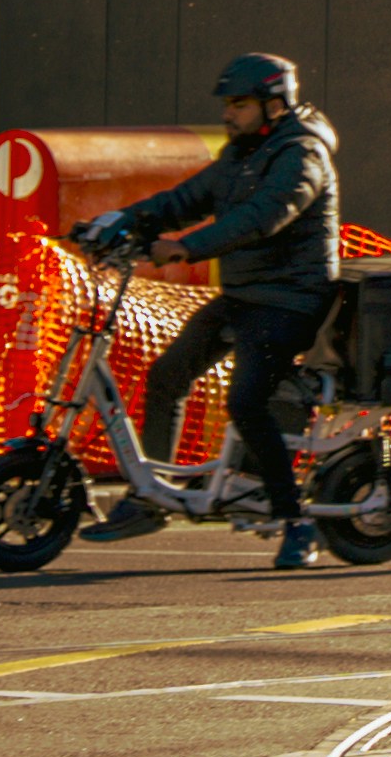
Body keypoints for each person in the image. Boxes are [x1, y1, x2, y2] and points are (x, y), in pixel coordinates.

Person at [74, 55, 348, 573]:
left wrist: (185, 248)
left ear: (274, 104)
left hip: (291, 299)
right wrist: (119, 222)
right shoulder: (242, 153)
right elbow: (186, 198)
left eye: (238, 105)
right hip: (247, 295)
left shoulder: (302, 153)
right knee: (167, 375)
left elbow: (264, 216)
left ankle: (297, 524)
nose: (229, 114)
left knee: (246, 402)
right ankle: (151, 497)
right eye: (227, 105)